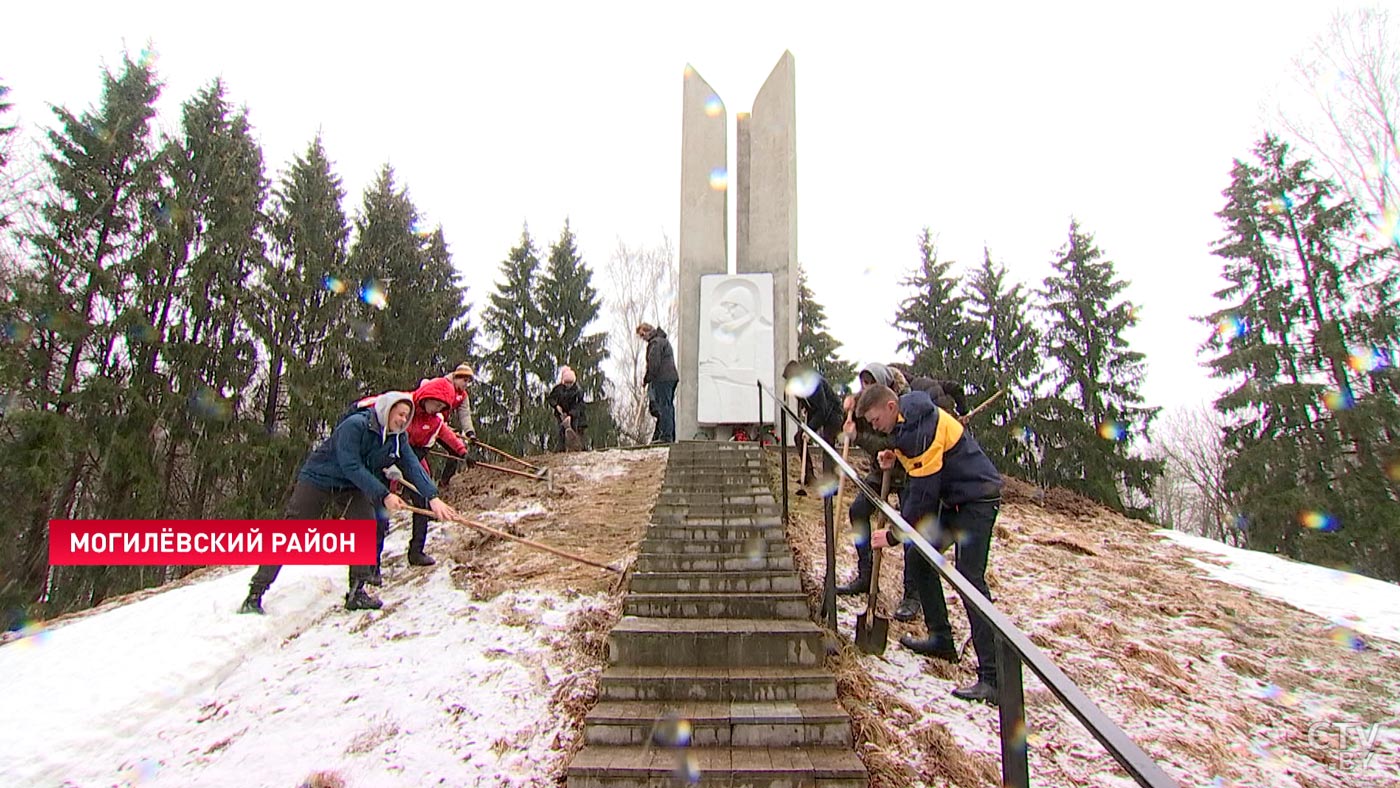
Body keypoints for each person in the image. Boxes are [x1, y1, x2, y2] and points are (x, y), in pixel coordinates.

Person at [238, 393, 459, 614]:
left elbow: (412, 465)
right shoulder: (355, 425)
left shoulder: (397, 437)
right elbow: (350, 465)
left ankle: (357, 591)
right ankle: (255, 592)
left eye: (406, 416)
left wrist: (433, 497)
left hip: (352, 485)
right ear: (386, 410)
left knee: (366, 527)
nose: (403, 420)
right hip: (319, 479)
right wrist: (384, 494)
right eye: (400, 414)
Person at [856, 382, 1004, 705]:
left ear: (891, 407)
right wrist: (892, 456)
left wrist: (893, 535)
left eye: (875, 420)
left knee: (970, 580)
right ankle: (941, 638)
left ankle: (994, 678)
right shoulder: (911, 417)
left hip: (977, 500)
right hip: (955, 501)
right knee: (920, 556)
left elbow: (921, 497)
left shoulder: (923, 432)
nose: (874, 426)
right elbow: (911, 451)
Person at [781, 360, 844, 485]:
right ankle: (808, 475)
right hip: (817, 413)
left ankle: (832, 481)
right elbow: (807, 406)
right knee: (799, 437)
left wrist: (809, 429)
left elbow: (822, 410)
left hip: (833, 413)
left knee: (827, 443)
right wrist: (806, 428)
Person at [433, 364, 479, 489]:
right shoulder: (442, 385)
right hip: (432, 422)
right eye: (464, 381)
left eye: (468, 382)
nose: (466, 384)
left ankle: (444, 484)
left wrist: (470, 433)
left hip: (442, 426)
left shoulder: (463, 395)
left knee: (455, 450)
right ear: (456, 377)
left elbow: (464, 414)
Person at [637, 322, 678, 443]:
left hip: (662, 379)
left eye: (642, 335)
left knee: (664, 407)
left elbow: (653, 364)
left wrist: (646, 379)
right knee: (668, 407)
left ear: (646, 332)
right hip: (671, 378)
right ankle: (670, 434)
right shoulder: (663, 341)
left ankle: (666, 436)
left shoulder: (655, 343)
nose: (642, 338)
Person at [546, 366, 588, 452]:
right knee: (561, 431)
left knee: (574, 430)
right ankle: (561, 449)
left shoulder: (578, 391)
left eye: (570, 383)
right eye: (566, 382)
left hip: (573, 415)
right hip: (560, 414)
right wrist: (556, 406)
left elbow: (578, 406)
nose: (568, 385)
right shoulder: (558, 389)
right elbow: (551, 398)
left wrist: (570, 415)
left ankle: (577, 449)